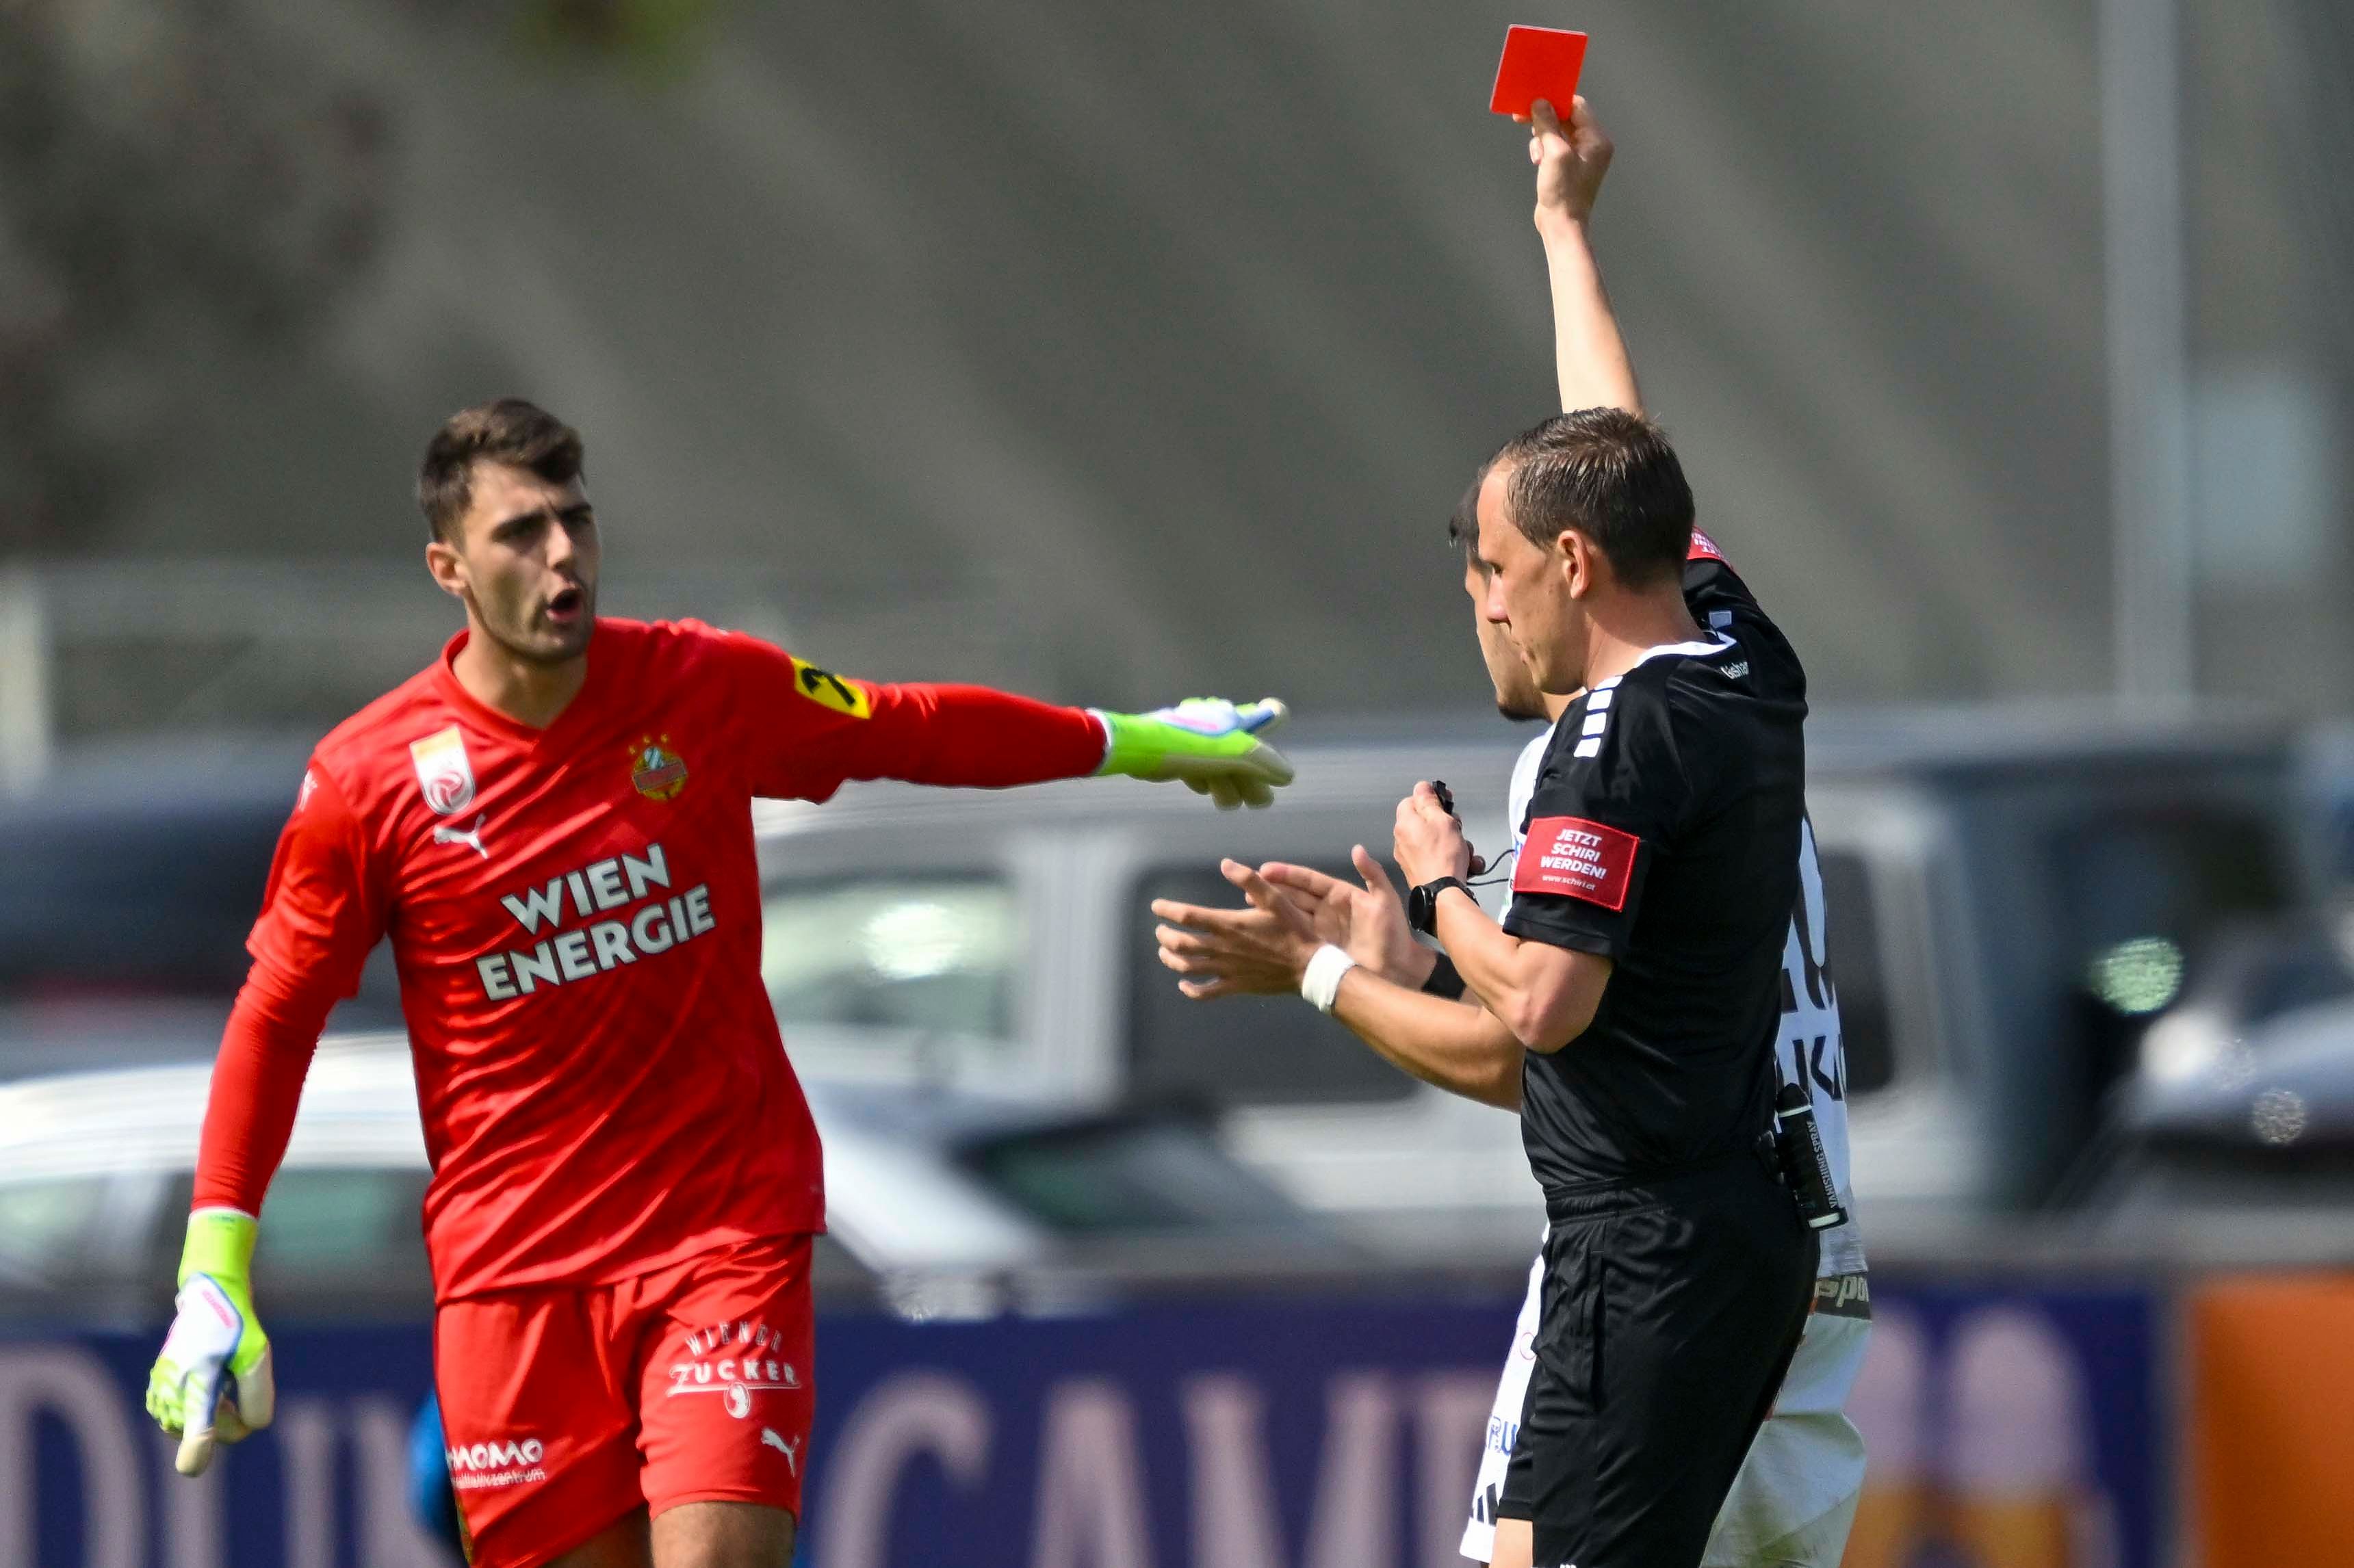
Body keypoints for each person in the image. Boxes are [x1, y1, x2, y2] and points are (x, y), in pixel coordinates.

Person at [141, 398, 1297, 1568]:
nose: (563, 556)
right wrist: (213, 1272)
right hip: (514, 1278)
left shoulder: (700, 684)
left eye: (577, 522)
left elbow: (909, 728)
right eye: (522, 533)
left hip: (720, 1235)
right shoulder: (367, 781)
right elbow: (274, 1020)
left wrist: (1135, 739)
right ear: (449, 568)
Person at [1154, 99, 1822, 1568]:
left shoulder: (1608, 736)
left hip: (1649, 1250)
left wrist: (1435, 899)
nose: (1490, 602)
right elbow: (1618, 454)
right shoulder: (1739, 654)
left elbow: (1543, 1009)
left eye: (1498, 569)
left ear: (1569, 564)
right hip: (1739, 1226)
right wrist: (1562, 229)